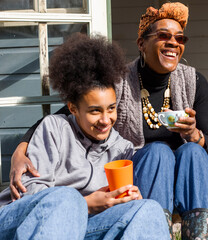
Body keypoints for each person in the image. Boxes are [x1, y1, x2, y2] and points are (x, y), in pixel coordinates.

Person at [9, 2, 208, 239]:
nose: (173, 42)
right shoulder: (116, 81)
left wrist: (193, 134)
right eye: (163, 35)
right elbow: (62, 116)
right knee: (157, 152)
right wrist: (21, 150)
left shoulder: (191, 83)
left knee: (191, 154)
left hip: (181, 176)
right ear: (142, 43)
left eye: (180, 38)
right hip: (144, 171)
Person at [0, 33, 170, 239]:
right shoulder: (54, 128)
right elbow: (32, 194)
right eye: (95, 111)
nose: (106, 120)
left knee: (148, 208)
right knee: (66, 197)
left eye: (111, 109)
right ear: (72, 108)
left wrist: (123, 201)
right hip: (20, 219)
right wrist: (87, 203)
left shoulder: (122, 148)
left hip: (80, 227)